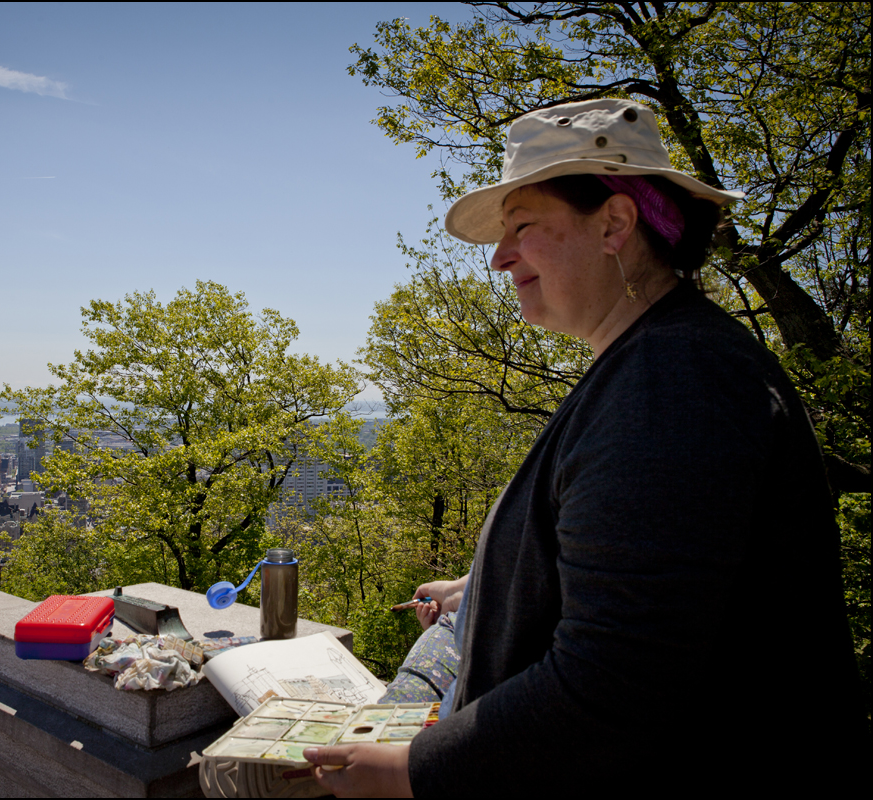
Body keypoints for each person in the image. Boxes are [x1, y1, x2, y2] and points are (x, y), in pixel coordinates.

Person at [306, 98, 866, 796]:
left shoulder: (672, 384)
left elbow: (616, 686)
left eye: (522, 227)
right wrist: (483, 589)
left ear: (614, 224)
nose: (498, 257)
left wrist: (409, 771)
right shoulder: (663, 362)